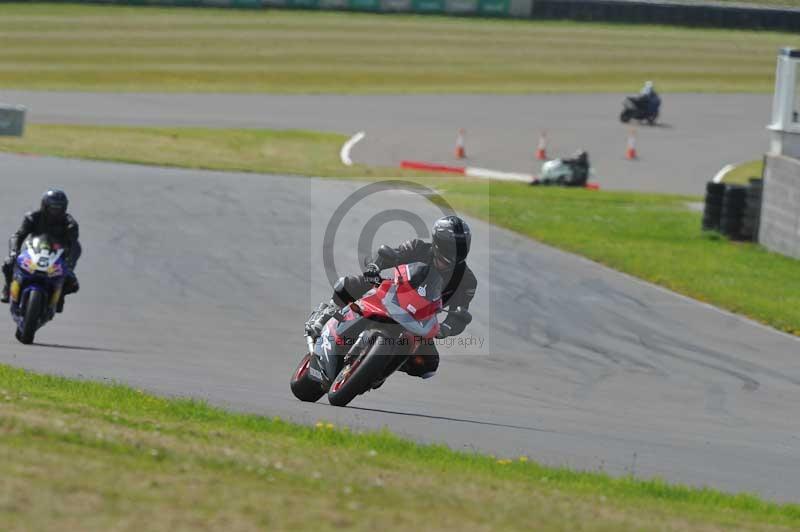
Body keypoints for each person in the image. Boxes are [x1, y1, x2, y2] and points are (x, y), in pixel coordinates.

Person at [305, 215, 478, 379]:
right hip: (393, 296)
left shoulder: (467, 281)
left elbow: (460, 313)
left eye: (461, 246)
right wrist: (374, 267)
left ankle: (382, 365)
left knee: (428, 365)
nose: (455, 252)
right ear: (438, 242)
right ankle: (327, 312)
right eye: (451, 246)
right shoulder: (417, 247)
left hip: (420, 320)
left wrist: (446, 328)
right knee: (351, 283)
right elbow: (387, 255)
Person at [1, 189, 81, 311]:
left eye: (59, 208)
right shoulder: (32, 217)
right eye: (52, 207)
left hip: (57, 256)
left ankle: (60, 296)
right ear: (44, 205)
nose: (55, 211)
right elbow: (18, 235)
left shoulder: (70, 224)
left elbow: (75, 245)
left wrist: (70, 265)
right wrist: (13, 252)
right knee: (8, 264)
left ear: (64, 207)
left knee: (72, 282)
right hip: (33, 251)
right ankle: (7, 287)